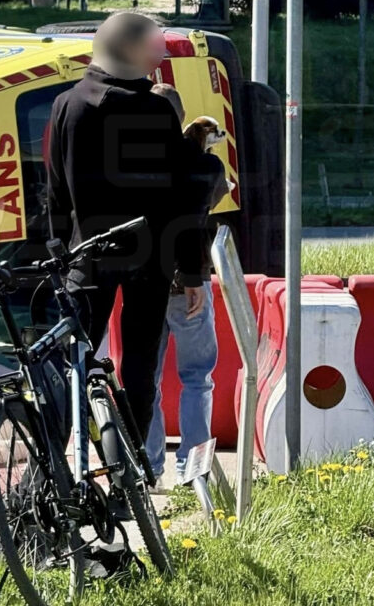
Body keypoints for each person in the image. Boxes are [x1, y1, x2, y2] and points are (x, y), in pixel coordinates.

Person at [47, 12, 204, 445]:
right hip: (149, 256)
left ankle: (54, 467)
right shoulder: (155, 109)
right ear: (130, 50)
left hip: (86, 256)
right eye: (153, 44)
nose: (160, 52)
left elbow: (56, 192)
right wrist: (192, 272)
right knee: (139, 369)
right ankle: (132, 469)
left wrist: (60, 255)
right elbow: (179, 197)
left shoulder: (68, 105)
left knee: (69, 365)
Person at [145, 84, 229, 486]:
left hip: (142, 283)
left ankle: (149, 467)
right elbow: (200, 214)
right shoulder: (203, 165)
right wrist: (195, 278)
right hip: (185, 283)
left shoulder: (132, 160)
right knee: (196, 376)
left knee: (147, 378)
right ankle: (193, 469)